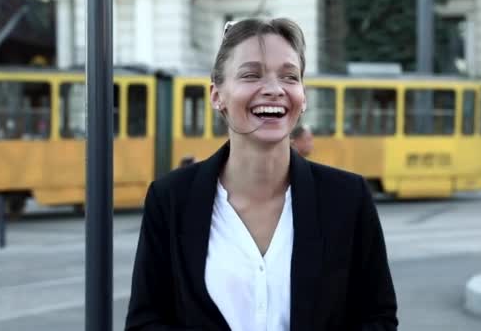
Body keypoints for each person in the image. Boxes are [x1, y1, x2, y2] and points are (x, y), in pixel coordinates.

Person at [125, 18, 398, 330]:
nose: (274, 89)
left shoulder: (349, 197)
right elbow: (145, 322)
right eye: (251, 75)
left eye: (289, 77)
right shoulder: (171, 198)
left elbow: (377, 319)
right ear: (217, 96)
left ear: (303, 97)